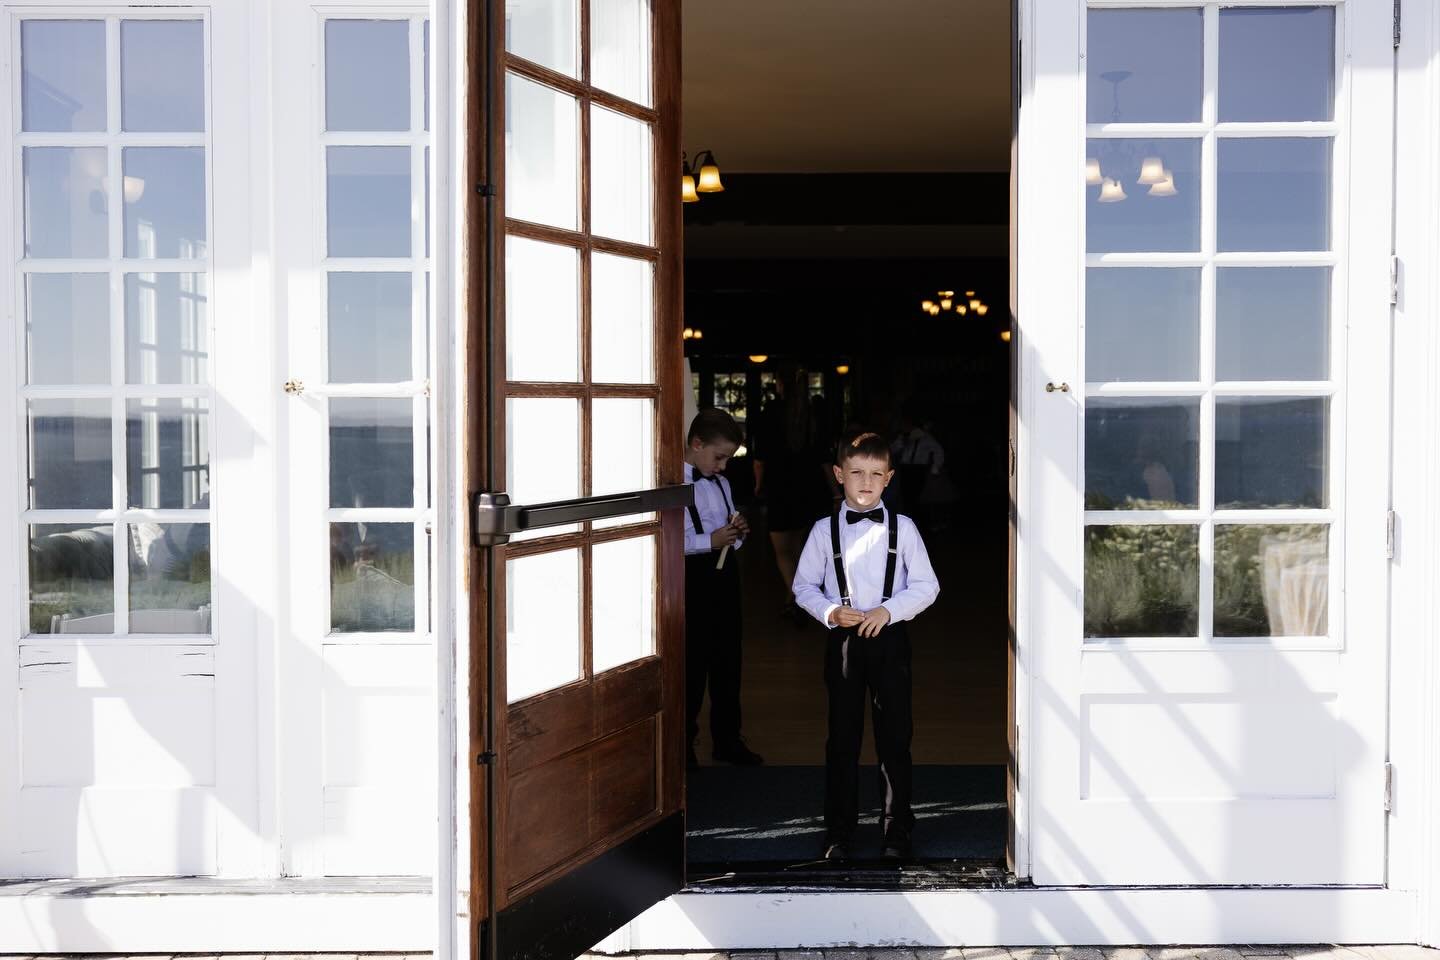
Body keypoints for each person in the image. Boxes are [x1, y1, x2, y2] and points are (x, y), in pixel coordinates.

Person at [792, 430, 940, 860]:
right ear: (839, 474)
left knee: (895, 737)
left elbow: (927, 586)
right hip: (843, 644)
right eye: (856, 472)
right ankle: (839, 831)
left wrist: (889, 611)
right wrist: (830, 612)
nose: (866, 482)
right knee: (842, 738)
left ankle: (896, 829)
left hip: (890, 640)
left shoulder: (904, 528)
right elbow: (804, 586)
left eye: (876, 474)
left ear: (889, 478)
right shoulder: (823, 531)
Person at [684, 408, 764, 768]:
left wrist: (737, 531)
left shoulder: (722, 483)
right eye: (719, 457)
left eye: (727, 459)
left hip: (726, 576)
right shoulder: (673, 485)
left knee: (728, 660)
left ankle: (728, 740)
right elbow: (669, 540)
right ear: (696, 444)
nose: (722, 466)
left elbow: (727, 526)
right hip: (690, 578)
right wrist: (709, 540)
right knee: (691, 664)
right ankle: (682, 744)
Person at [753, 365, 831, 623]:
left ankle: (798, 599)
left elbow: (760, 458)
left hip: (780, 487)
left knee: (783, 552)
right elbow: (824, 458)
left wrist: (758, 485)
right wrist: (836, 492)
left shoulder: (770, 413)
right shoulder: (814, 415)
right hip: (811, 488)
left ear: (780, 384)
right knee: (799, 547)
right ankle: (796, 599)